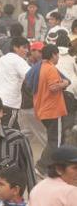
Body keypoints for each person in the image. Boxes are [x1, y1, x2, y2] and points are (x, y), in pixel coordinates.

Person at [29, 44, 71, 175]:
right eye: (57, 54)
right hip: (53, 110)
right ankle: (44, 167)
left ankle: (48, 167)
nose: (58, 57)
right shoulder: (51, 69)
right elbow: (53, 87)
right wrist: (65, 83)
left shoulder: (38, 68)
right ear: (53, 55)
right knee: (55, 142)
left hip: (43, 109)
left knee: (54, 139)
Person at [0, 36, 31, 129]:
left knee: (14, 132)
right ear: (15, 47)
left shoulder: (2, 59)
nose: (27, 50)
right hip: (8, 104)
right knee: (5, 133)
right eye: (24, 47)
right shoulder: (18, 60)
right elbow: (31, 77)